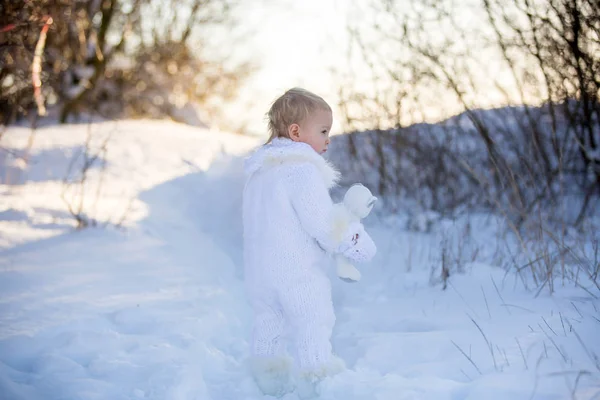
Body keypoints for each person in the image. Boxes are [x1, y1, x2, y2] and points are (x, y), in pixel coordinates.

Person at [242, 87, 377, 397]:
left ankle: (268, 381)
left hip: (260, 274)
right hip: (295, 271)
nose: (328, 138)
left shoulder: (259, 174)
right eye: (324, 130)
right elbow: (324, 223)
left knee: (269, 323)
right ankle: (318, 383)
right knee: (313, 320)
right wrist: (356, 241)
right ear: (296, 131)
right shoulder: (301, 171)